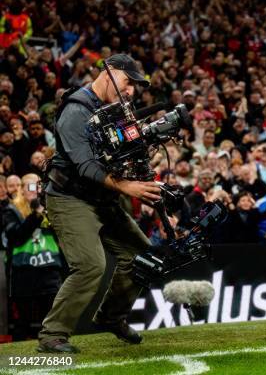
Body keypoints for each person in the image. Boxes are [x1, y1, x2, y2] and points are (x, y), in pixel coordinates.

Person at [38, 54, 162, 353]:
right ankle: (52, 335)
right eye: (127, 82)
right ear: (109, 72)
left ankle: (111, 317)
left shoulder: (116, 109)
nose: (131, 90)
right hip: (70, 198)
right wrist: (128, 187)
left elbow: (121, 152)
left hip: (103, 198)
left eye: (134, 85)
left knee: (142, 256)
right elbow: (86, 166)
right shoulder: (75, 110)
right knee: (90, 265)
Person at [2, 174, 62, 340]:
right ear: (21, 189)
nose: (36, 190)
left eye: (39, 186)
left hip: (49, 267)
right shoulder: (11, 209)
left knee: (51, 315)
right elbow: (15, 236)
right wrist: (36, 215)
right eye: (31, 186)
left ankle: (52, 342)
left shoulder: (51, 206)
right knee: (23, 320)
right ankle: (20, 358)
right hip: (24, 271)